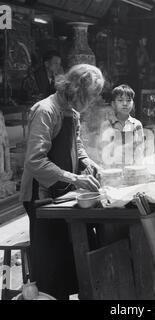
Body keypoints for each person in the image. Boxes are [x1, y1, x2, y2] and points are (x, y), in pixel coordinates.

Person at [19, 64, 105, 300]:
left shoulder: (72, 113)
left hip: (62, 192)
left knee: (67, 254)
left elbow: (77, 147)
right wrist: (73, 177)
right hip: (41, 194)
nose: (92, 101)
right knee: (50, 259)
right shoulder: (45, 111)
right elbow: (35, 160)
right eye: (90, 96)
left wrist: (89, 163)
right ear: (75, 89)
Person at [102, 84, 144, 167]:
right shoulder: (107, 125)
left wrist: (138, 168)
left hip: (131, 168)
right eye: (120, 100)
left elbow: (140, 150)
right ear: (113, 104)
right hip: (112, 169)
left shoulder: (137, 124)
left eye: (129, 100)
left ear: (133, 103)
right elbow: (103, 150)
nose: (125, 103)